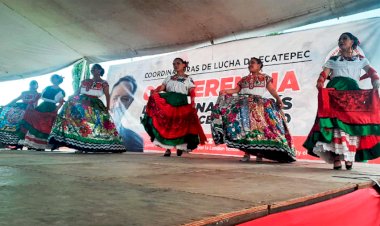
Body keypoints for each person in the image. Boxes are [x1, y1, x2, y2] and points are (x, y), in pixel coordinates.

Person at [303, 32, 380, 170]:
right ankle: (337, 158)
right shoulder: (333, 60)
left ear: (352, 42)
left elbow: (372, 72)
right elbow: (324, 74)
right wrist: (320, 82)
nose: (341, 41)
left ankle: (349, 157)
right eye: (339, 39)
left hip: (352, 97)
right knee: (335, 126)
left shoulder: (361, 60)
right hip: (334, 95)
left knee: (350, 127)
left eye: (344, 38)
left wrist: (375, 81)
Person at [211, 57, 296, 163]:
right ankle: (247, 154)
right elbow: (236, 90)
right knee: (246, 131)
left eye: (253, 63)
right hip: (244, 106)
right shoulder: (244, 79)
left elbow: (272, 90)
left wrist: (278, 99)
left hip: (259, 107)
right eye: (249, 63)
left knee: (260, 131)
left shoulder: (265, 78)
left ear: (260, 65)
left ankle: (259, 154)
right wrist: (225, 91)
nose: (250, 65)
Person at [49, 64, 126, 153]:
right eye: (92, 69)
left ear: (100, 70)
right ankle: (80, 146)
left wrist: (108, 106)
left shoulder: (104, 83)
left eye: (96, 69)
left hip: (95, 104)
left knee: (97, 125)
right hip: (81, 103)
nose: (93, 70)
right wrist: (71, 97)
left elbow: (107, 95)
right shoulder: (85, 81)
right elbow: (77, 92)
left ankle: (97, 145)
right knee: (81, 124)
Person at [141, 57, 206, 157]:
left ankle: (180, 147)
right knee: (168, 126)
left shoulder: (188, 79)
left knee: (180, 126)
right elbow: (161, 88)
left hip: (181, 104)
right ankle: (167, 149)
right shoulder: (169, 78)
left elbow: (191, 92)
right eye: (174, 64)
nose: (176, 65)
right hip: (169, 104)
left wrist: (193, 103)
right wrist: (155, 92)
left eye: (178, 63)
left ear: (184, 65)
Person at [19, 75, 65, 150]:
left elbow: (61, 102)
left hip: (51, 107)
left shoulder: (61, 91)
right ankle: (33, 144)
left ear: (59, 80)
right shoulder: (47, 88)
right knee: (35, 122)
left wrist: (55, 110)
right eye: (52, 78)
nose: (53, 79)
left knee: (45, 126)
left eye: (55, 78)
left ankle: (41, 145)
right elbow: (39, 96)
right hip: (42, 106)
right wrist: (31, 103)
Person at [0, 80, 40, 149]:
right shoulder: (24, 93)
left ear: (37, 86)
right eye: (31, 84)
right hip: (21, 109)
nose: (32, 85)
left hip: (31, 111)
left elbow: (36, 104)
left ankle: (27, 144)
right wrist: (6, 105)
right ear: (29, 85)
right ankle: (15, 142)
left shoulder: (38, 94)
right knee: (16, 125)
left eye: (34, 84)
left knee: (26, 127)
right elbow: (16, 99)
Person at [110, 76, 144, 152]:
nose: (118, 104)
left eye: (124, 99)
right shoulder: (90, 130)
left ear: (130, 102)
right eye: (115, 98)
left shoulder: (136, 142)